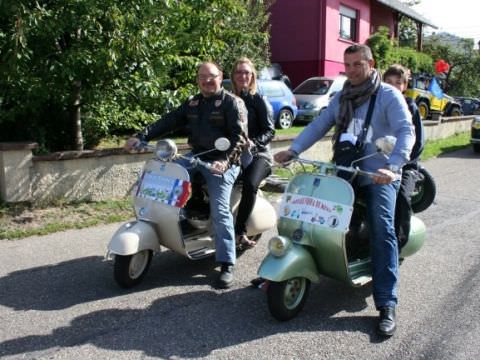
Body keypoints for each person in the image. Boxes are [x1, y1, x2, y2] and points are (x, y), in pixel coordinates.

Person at [274, 44, 415, 336]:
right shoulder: (343, 96)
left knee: (381, 227)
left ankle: (386, 303)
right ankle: (294, 264)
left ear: (371, 63)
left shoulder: (388, 95)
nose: (350, 71)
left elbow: (406, 130)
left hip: (380, 174)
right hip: (347, 167)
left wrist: (393, 166)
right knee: (313, 212)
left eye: (356, 65)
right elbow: (319, 124)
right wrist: (294, 149)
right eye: (346, 65)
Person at [124, 61, 249, 289]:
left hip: (224, 162)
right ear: (197, 78)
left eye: (211, 76)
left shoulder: (233, 103)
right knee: (165, 178)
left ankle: (226, 263)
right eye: (202, 76)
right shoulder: (193, 103)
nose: (207, 80)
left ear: (220, 76)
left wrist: (224, 160)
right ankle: (178, 226)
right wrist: (141, 136)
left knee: (220, 209)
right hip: (195, 157)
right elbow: (169, 120)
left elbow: (240, 138)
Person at [230, 57, 275, 249]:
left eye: (246, 72)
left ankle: (240, 231)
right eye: (239, 72)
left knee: (249, 184)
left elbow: (270, 130)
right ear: (233, 76)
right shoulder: (228, 99)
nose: (242, 76)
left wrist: (255, 143)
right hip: (234, 153)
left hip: (259, 154)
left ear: (252, 76)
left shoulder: (258, 99)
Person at [383, 64, 425, 249]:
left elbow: (417, 143)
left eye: (398, 83)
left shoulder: (411, 107)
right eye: (389, 82)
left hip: (406, 165)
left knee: (401, 196)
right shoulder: (379, 105)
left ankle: (398, 242)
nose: (393, 86)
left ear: (405, 86)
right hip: (380, 162)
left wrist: (402, 162)